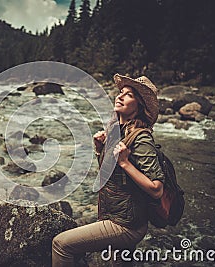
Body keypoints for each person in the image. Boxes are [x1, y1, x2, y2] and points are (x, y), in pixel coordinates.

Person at [52, 74, 165, 267]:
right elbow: (112, 178)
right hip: (115, 216)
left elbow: (157, 189)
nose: (120, 96)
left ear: (139, 107)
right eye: (121, 92)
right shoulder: (116, 131)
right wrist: (100, 150)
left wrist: (125, 163)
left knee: (61, 245)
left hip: (126, 225)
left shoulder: (142, 138)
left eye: (129, 95)